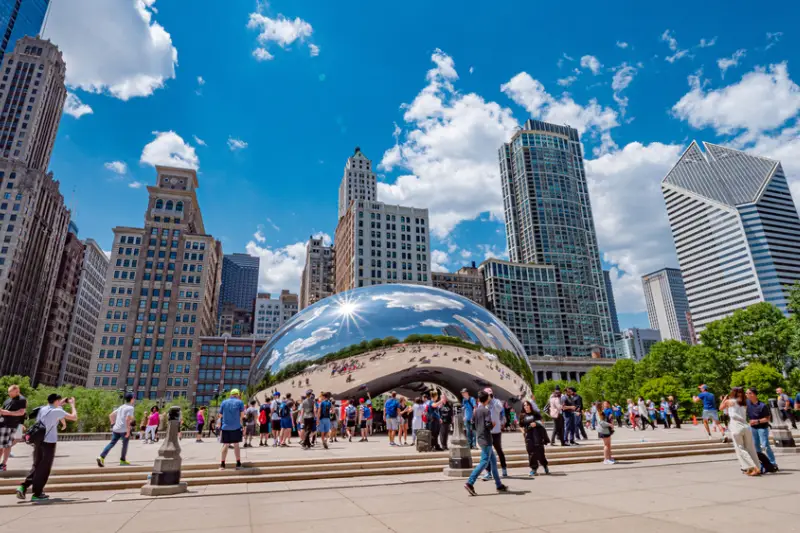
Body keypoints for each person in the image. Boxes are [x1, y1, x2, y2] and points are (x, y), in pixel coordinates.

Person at [17, 394, 77, 501]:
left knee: (36, 465)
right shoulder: (57, 411)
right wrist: (72, 405)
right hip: (49, 443)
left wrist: (61, 403)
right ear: (56, 401)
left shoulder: (42, 409)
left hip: (38, 441)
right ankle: (37, 494)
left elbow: (54, 408)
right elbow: (74, 417)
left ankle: (23, 486)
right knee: (44, 469)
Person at [464, 390, 508, 496]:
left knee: (493, 461)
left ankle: (498, 484)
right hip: (486, 439)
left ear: (479, 399)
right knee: (484, 462)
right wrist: (492, 424)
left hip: (479, 437)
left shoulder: (477, 410)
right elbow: (488, 425)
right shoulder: (486, 411)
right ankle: (470, 482)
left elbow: (473, 424)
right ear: (487, 399)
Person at [720, 387, 760, 476]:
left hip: (736, 425)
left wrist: (724, 399)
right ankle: (755, 467)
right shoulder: (744, 403)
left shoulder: (729, 401)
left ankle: (753, 467)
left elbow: (720, 408)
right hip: (745, 425)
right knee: (750, 448)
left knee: (740, 448)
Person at [97, 393, 135, 467]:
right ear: (131, 399)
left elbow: (111, 415)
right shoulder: (130, 408)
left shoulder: (121, 407)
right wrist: (128, 431)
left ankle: (101, 457)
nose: (134, 399)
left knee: (112, 443)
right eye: (133, 398)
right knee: (125, 445)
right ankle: (122, 460)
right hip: (124, 430)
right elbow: (128, 419)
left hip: (116, 429)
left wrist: (113, 424)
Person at [746, 388, 777, 472]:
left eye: (748, 393)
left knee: (765, 446)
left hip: (762, 428)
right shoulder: (747, 403)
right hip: (753, 428)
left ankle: (773, 463)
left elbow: (767, 418)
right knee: (756, 446)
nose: (746, 394)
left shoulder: (762, 406)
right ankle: (761, 464)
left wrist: (757, 421)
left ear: (753, 394)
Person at [482, 388, 508, 480]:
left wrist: (492, 400)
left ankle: (504, 468)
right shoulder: (483, 403)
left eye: (490, 394)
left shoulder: (497, 402)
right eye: (487, 395)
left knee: (499, 450)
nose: (489, 397)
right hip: (487, 432)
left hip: (496, 431)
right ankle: (488, 472)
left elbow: (499, 409)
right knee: (487, 452)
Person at [0, 384, 27, 472]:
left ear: (17, 391)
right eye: (8, 393)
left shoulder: (21, 399)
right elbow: (3, 411)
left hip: (10, 425)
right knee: (1, 446)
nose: (9, 394)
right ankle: (2, 464)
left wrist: (7, 413)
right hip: (2, 424)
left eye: (10, 393)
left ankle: (3, 465)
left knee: (7, 445)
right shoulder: (8, 400)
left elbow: (21, 413)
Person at [519, 399, 549, 476]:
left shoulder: (536, 414)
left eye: (527, 405)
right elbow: (520, 426)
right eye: (524, 405)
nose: (526, 407)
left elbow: (542, 422)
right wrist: (523, 432)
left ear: (530, 406)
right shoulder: (522, 415)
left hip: (537, 435)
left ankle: (545, 465)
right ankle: (533, 468)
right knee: (531, 453)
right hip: (528, 436)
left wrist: (535, 424)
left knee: (540, 452)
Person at [219, 389, 245, 470]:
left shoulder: (224, 402)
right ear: (237, 394)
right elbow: (242, 415)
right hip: (236, 427)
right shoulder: (240, 402)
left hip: (225, 427)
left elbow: (220, 415)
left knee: (225, 445)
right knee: (236, 445)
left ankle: (222, 464)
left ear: (230, 394)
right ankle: (238, 463)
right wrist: (240, 423)